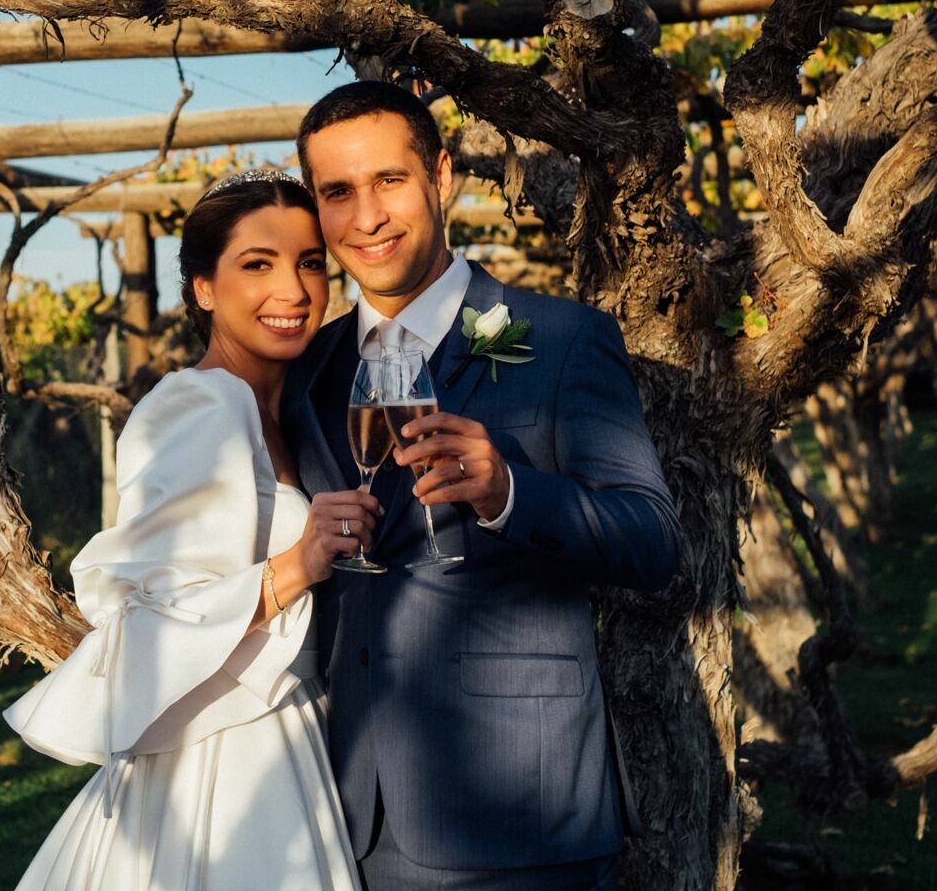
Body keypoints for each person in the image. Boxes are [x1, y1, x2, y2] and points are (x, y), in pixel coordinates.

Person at [286, 82, 682, 891]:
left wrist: (510, 492)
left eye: (389, 181)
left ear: (441, 175)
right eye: (337, 193)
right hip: (346, 813)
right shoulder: (309, 371)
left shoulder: (564, 340)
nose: (366, 217)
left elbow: (652, 541)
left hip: (521, 810)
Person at [5, 169, 378, 890]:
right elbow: (150, 618)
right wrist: (297, 566)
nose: (294, 291)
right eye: (258, 265)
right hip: (222, 763)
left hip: (295, 733)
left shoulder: (289, 410)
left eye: (309, 264)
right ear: (203, 288)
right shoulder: (196, 406)